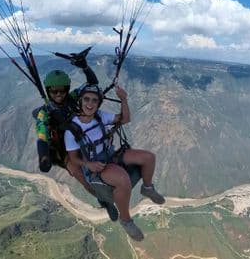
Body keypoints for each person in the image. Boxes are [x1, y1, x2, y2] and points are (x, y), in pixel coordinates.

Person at [64, 84, 165, 241]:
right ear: (81, 101)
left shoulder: (99, 116)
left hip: (111, 155)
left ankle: (147, 188)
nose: (90, 104)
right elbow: (73, 159)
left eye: (94, 100)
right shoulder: (72, 130)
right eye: (86, 99)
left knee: (148, 158)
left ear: (98, 103)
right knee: (123, 180)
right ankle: (126, 220)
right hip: (97, 166)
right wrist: (88, 164)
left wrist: (123, 99)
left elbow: (125, 119)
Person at [33, 48, 120, 221]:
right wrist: (44, 157)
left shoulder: (73, 97)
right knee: (84, 179)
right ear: (48, 91)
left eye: (62, 90)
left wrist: (85, 67)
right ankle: (105, 201)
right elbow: (42, 137)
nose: (59, 95)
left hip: (85, 141)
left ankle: (118, 187)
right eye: (54, 91)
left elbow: (92, 85)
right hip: (65, 151)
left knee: (107, 164)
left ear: (67, 89)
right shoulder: (45, 113)